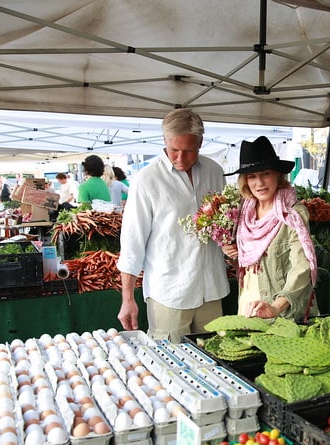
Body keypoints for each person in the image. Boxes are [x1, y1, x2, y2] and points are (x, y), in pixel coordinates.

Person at [117, 108, 230, 341]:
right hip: (169, 293)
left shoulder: (215, 172)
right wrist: (127, 299)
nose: (180, 158)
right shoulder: (147, 180)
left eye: (188, 151)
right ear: (164, 140)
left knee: (215, 354)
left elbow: (226, 225)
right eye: (174, 150)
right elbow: (132, 242)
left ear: (200, 143)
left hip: (212, 289)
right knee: (171, 358)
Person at [221, 136, 318, 321]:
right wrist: (231, 252)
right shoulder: (243, 211)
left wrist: (275, 307)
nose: (259, 183)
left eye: (265, 174)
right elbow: (246, 264)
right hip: (247, 305)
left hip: (281, 310)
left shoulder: (292, 213)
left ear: (277, 176)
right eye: (252, 176)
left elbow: (302, 266)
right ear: (245, 181)